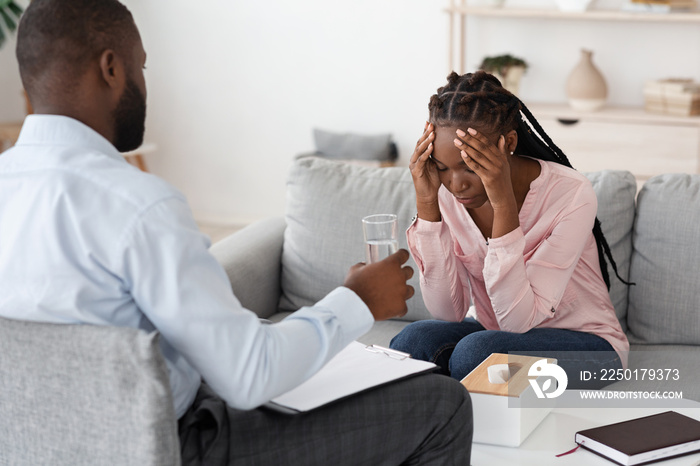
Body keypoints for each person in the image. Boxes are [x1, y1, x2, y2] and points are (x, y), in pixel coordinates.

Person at [0, 1, 473, 464]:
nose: (145, 86)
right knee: (443, 404)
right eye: (140, 68)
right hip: (171, 447)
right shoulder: (138, 207)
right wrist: (357, 300)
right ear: (110, 69)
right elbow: (249, 374)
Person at [389, 71, 630, 389]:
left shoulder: (571, 193)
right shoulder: (446, 194)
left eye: (469, 165)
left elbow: (517, 323)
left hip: (592, 350)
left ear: (509, 143)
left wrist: (504, 207)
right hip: (496, 335)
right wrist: (427, 204)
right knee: (413, 342)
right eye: (443, 167)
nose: (457, 184)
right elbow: (448, 312)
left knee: (477, 356)